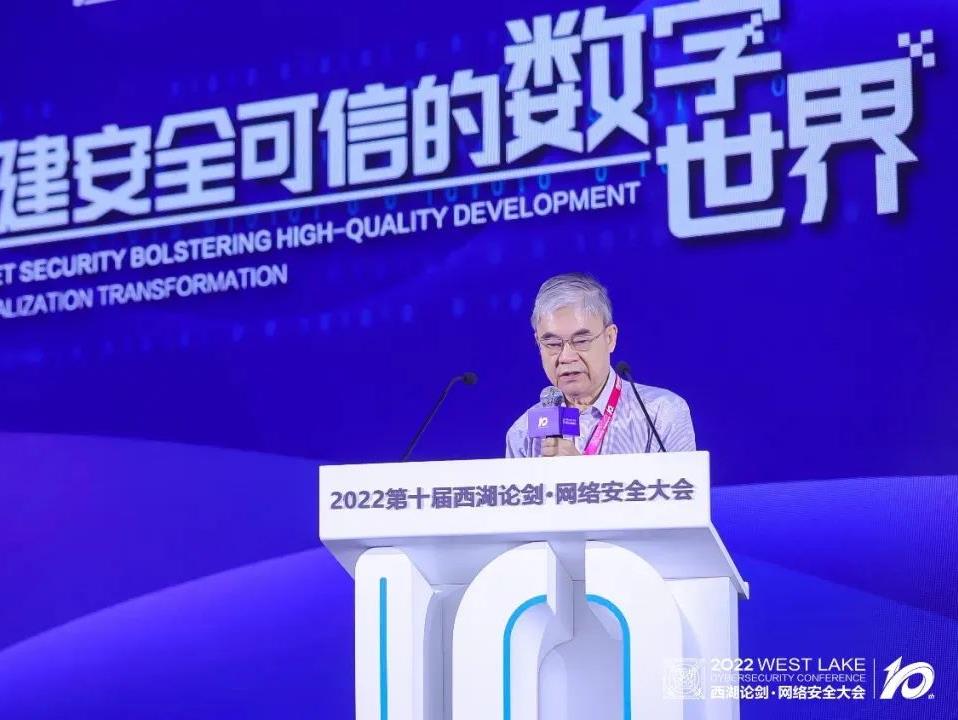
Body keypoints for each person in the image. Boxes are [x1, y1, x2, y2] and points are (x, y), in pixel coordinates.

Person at [505, 273, 695, 457]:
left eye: (581, 341)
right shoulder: (523, 433)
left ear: (610, 338)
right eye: (553, 344)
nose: (566, 357)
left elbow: (680, 480)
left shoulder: (661, 414)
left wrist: (580, 472)